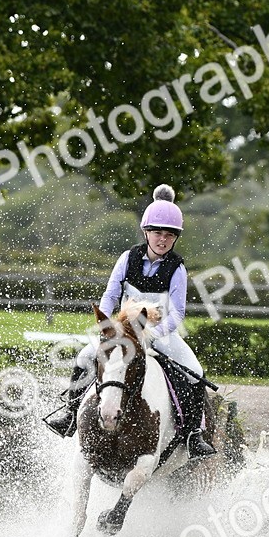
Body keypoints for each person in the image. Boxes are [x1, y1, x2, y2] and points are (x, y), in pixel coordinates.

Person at [44, 184, 216, 458]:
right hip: (123, 333)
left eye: (170, 235)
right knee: (84, 357)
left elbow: (178, 314)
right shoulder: (127, 259)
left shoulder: (177, 268)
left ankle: (193, 435)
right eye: (158, 233)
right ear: (146, 232)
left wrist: (153, 334)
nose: (163, 240)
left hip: (161, 334)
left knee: (194, 372)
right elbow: (110, 296)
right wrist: (105, 327)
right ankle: (69, 413)